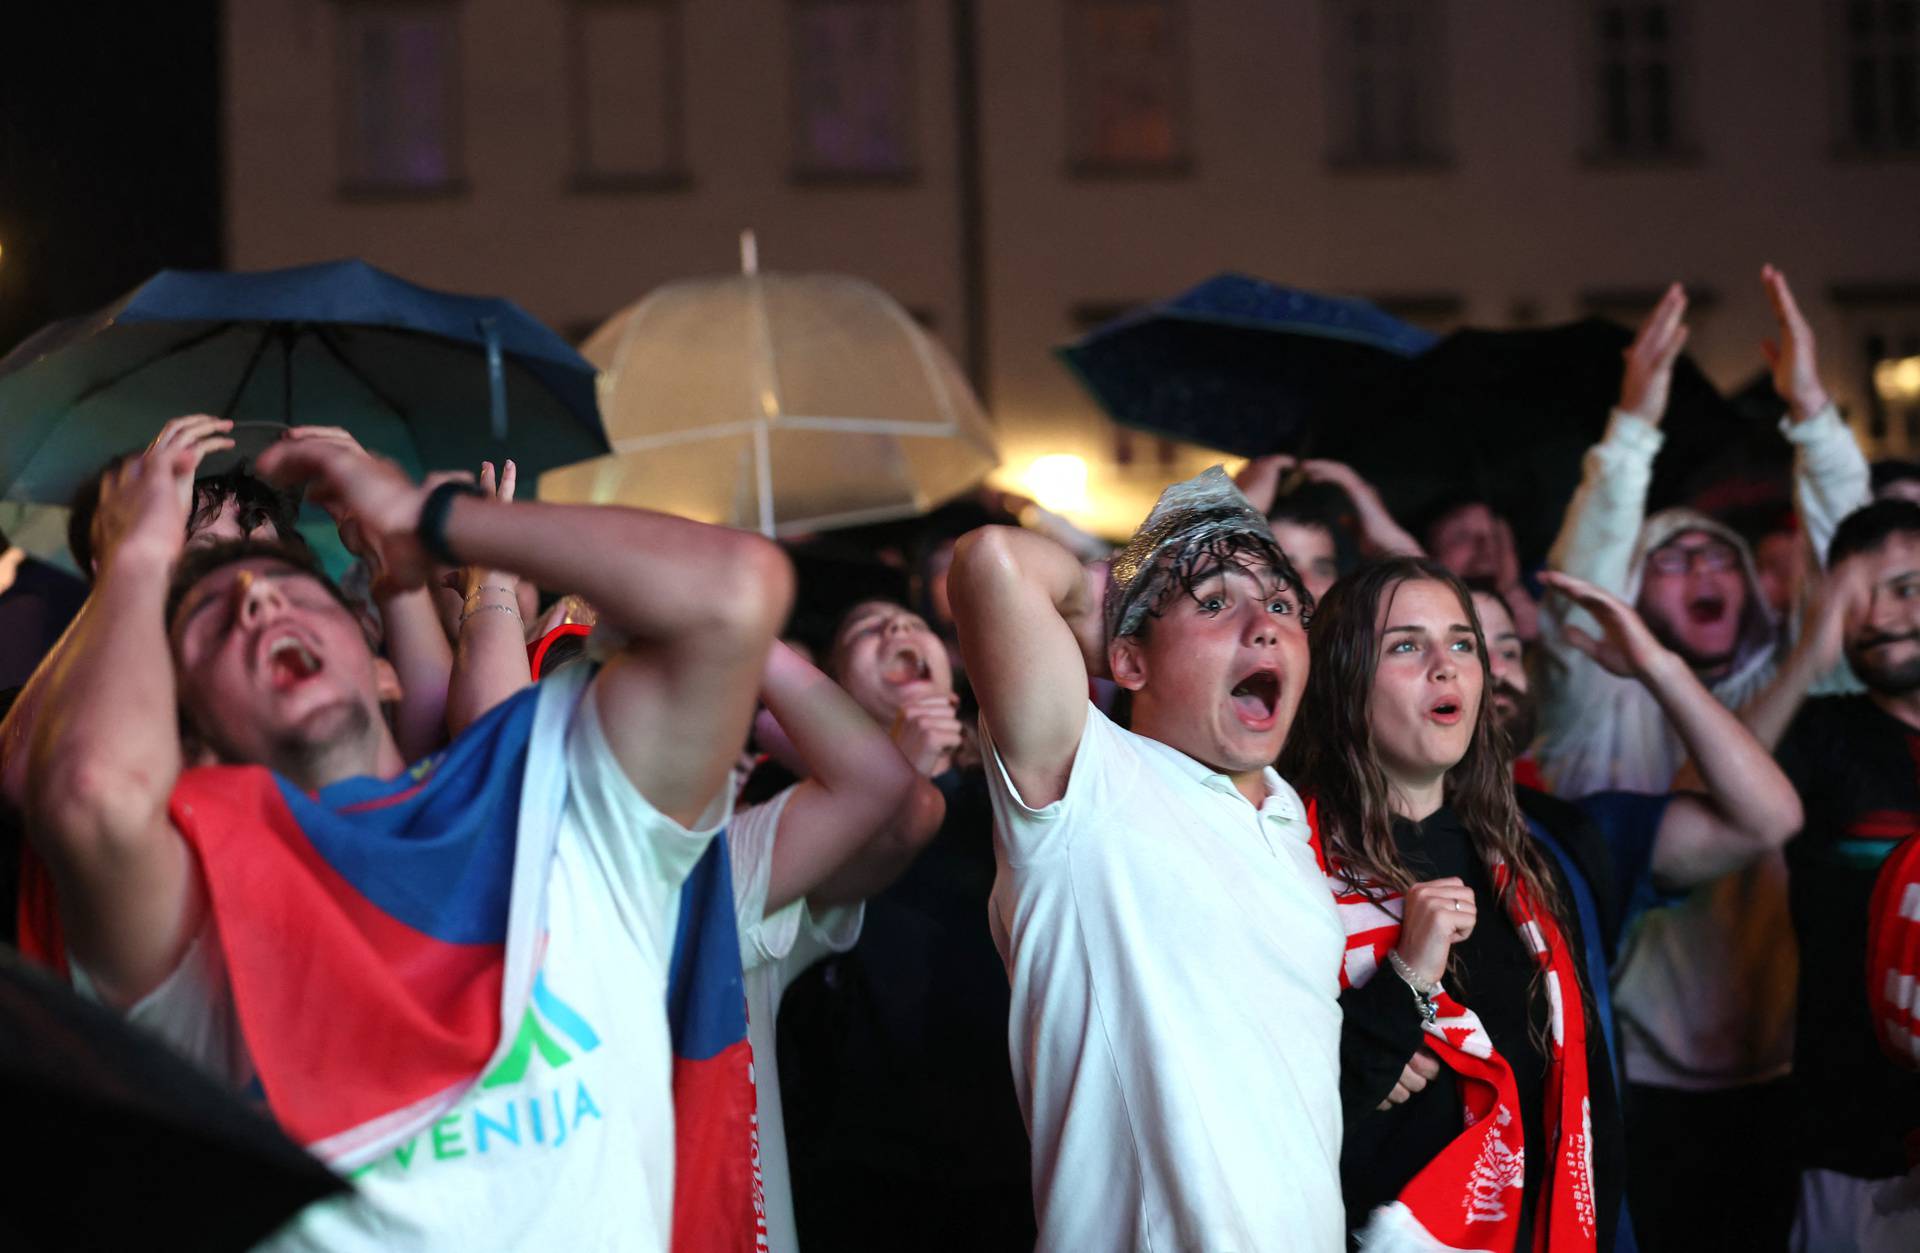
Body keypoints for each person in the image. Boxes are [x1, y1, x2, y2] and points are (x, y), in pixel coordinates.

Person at [15, 425, 792, 1250]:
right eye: (209, 617)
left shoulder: (554, 789)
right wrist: (134, 560)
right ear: (190, 725)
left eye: (288, 582)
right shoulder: (196, 881)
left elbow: (735, 591)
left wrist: (429, 518)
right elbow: (90, 792)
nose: (257, 599)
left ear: (363, 629)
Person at [1285, 558, 1802, 1251]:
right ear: (1342, 676)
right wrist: (1397, 995)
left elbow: (1766, 817)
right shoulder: (1286, 856)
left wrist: (1654, 661)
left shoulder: (1538, 856)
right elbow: (1268, 1118)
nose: (1447, 666)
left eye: (1462, 644)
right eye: (1406, 644)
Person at [1538, 269, 1870, 1252]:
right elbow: (1579, 586)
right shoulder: (1608, 692)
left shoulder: (1808, 693)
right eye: (1672, 560)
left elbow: (1850, 561)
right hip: (1644, 1082)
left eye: (1720, 556)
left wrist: (1812, 411)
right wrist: (1633, 426)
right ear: (1635, 603)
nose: (1705, 569)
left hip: (1791, 1073)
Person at [949, 466, 1344, 1251]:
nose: (1263, 624)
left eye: (1280, 603)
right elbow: (993, 561)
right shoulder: (1087, 783)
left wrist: (1186, 615)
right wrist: (1128, 610)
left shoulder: (1287, 816)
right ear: (1125, 663)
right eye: (1215, 603)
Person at [776, 597, 1035, 1252]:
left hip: (1015, 1149)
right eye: (865, 629)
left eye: (913, 622)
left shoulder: (1019, 791)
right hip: (870, 1164)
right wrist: (896, 772)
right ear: (832, 692)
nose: (895, 628)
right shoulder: (796, 808)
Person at [1726, 499, 1920, 1250]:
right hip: (1852, 1147)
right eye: (1856, 596)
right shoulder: (1823, 730)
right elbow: (1713, 795)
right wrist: (1813, 645)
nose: (1881, 615)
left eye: (1904, 587)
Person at [725, 640, 944, 1253]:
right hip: (868, 1156)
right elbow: (899, 799)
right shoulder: (715, 869)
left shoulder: (716, 871)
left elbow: (905, 803)